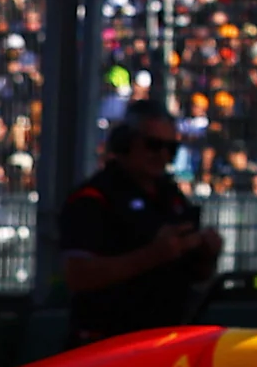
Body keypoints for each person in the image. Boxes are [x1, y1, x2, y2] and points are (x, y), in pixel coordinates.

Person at [59, 101, 222, 342]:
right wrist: (153, 255)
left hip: (163, 338)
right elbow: (78, 275)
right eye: (153, 145)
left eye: (171, 148)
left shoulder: (172, 197)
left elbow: (194, 274)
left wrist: (207, 253)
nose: (163, 155)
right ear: (126, 143)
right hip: (107, 342)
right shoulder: (95, 198)